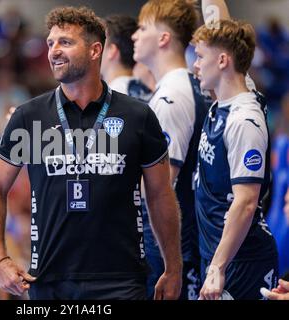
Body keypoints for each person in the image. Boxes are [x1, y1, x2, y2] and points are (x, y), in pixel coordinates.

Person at [0, 6, 182, 300]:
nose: (54, 51)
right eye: (51, 43)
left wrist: (173, 266)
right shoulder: (28, 117)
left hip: (122, 280)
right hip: (49, 280)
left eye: (65, 42)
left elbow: (161, 194)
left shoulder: (138, 116)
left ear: (95, 50)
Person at [192, 19, 279, 300]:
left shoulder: (244, 119)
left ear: (221, 60)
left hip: (240, 260)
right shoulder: (224, 101)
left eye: (200, 57)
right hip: (219, 253)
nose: (194, 65)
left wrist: (218, 267)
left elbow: (246, 202)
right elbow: (216, 12)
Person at [131, 0, 208, 299]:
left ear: (163, 38)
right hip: (177, 240)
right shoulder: (177, 87)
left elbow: (161, 186)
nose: (135, 36)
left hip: (170, 245)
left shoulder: (172, 96)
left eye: (142, 28)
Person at [100, 15, 153, 102]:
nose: (92, 51)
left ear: (111, 50)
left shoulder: (112, 96)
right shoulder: (142, 89)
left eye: (98, 44)